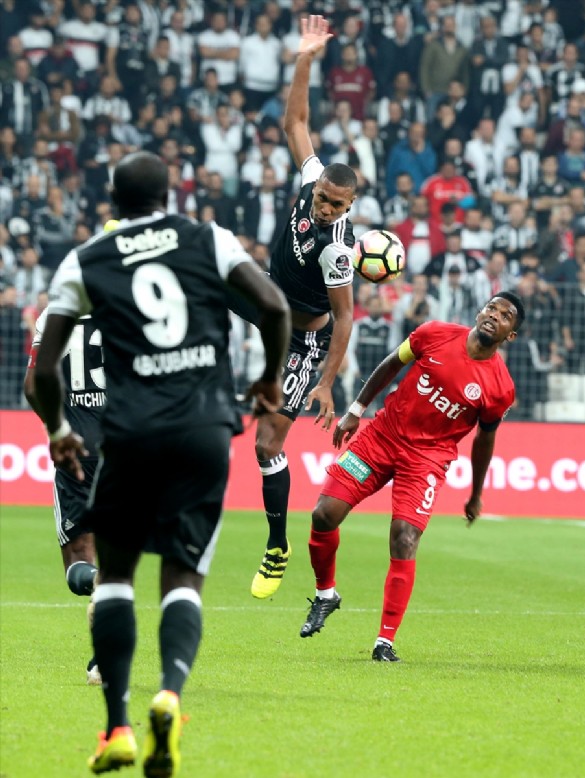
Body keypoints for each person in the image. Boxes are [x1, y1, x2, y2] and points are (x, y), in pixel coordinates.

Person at [33, 151, 290, 775]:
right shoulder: (209, 238)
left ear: (112, 200)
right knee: (184, 576)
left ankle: (118, 725)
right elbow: (276, 308)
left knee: (116, 577)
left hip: (130, 432)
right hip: (204, 429)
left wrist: (60, 429)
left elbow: (41, 371)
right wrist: (267, 383)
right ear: (169, 193)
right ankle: (170, 691)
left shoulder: (85, 261)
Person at [299, 291, 525, 662]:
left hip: (426, 461)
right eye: (491, 307)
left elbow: (485, 440)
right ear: (479, 311)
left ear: (510, 335)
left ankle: (384, 642)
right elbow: (392, 363)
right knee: (324, 514)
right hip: (381, 438)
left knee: (404, 538)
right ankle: (326, 595)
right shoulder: (434, 333)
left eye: (505, 316)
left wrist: (476, 493)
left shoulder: (500, 388)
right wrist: (356, 409)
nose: (494, 316)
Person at [242, 15, 357, 600]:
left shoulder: (339, 250)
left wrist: (328, 383)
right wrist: (306, 57)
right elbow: (296, 122)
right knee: (203, 267)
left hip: (300, 337)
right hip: (265, 300)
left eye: (339, 205)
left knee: (267, 446)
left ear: (351, 204)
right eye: (324, 200)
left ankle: (277, 544)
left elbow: (344, 318)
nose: (327, 210)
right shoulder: (311, 175)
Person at [23, 305, 105, 686]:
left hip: (76, 450)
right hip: (125, 447)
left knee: (78, 563)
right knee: (120, 555)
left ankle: (99, 583)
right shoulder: (128, 303)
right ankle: (102, 657)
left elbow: (32, 385)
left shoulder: (53, 313)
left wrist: (58, 430)